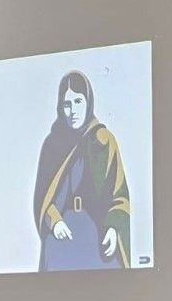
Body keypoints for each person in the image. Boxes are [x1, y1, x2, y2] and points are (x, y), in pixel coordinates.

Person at [33, 70, 131, 271]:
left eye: (78, 101)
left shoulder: (104, 140)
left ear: (88, 102)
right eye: (67, 104)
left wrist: (113, 228)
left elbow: (119, 196)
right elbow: (43, 198)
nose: (73, 111)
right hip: (62, 235)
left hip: (97, 238)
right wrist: (55, 222)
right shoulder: (52, 145)